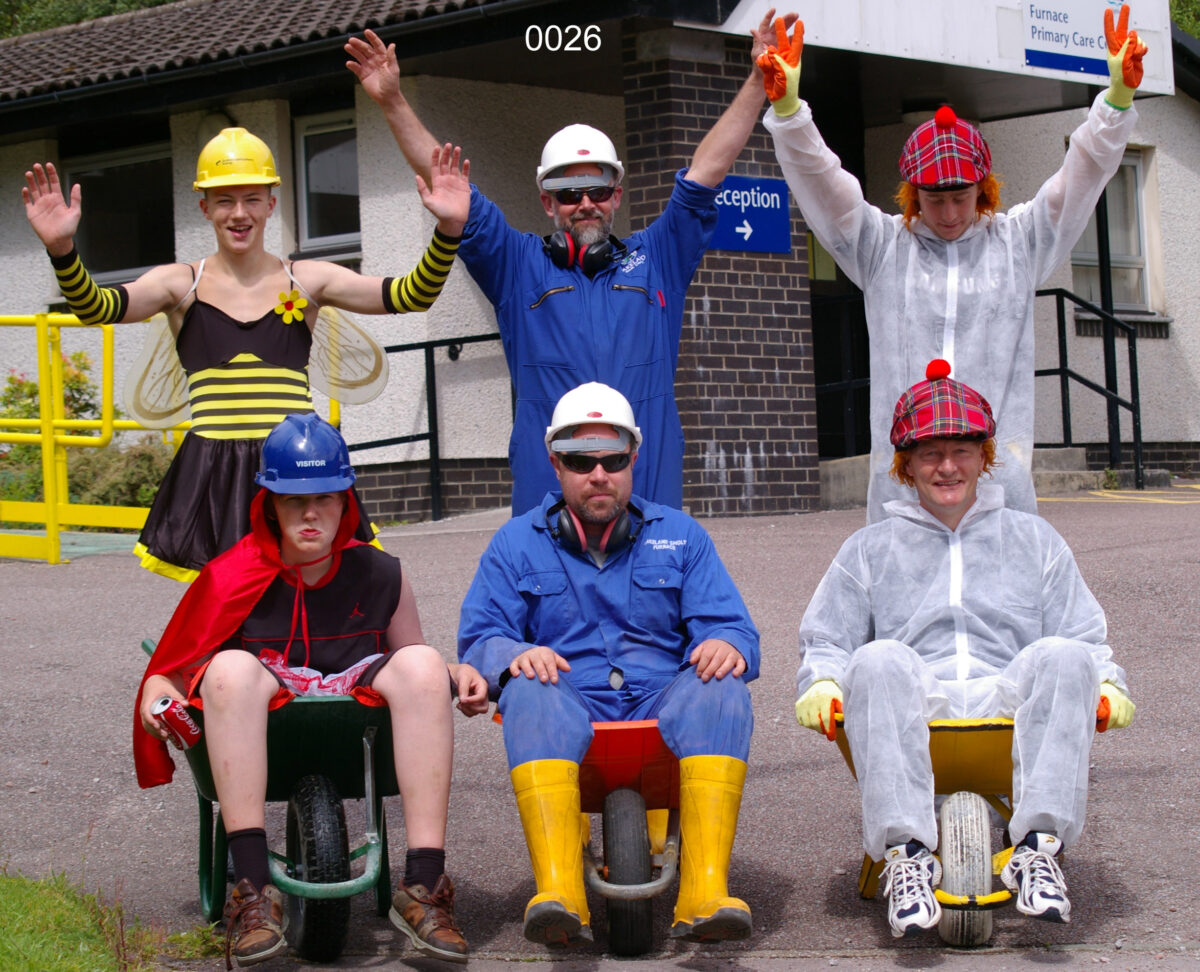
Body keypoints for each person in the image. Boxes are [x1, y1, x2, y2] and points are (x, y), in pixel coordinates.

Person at [346, 11, 786, 515]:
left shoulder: (659, 257)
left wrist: (758, 80)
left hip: (649, 501)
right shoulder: (517, 266)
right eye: (568, 192)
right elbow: (453, 190)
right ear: (546, 202)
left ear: (617, 194)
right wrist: (393, 100)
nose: (585, 203)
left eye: (597, 189)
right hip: (549, 509)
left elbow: (705, 173)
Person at [23, 126, 471, 580]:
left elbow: (411, 294)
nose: (239, 213)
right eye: (224, 200)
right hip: (213, 472)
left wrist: (448, 230)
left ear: (271, 203)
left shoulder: (307, 279)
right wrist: (62, 250)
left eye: (252, 198)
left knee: (309, 592)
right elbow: (95, 307)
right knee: (224, 607)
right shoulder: (179, 284)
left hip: (297, 465)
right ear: (205, 207)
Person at [756, 5, 1148, 523]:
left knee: (1004, 601)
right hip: (903, 488)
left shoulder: (1020, 243)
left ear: (983, 190)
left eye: (961, 197)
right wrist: (789, 114)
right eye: (933, 199)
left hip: (995, 486)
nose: (948, 213)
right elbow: (825, 187)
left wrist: (1115, 104)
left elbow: (1078, 178)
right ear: (912, 194)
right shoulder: (881, 247)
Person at [794, 359, 1135, 938]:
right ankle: (906, 856)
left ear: (985, 457)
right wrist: (821, 679)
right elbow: (827, 635)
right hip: (915, 707)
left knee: (1066, 655)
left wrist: (1106, 680)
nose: (947, 466)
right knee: (875, 657)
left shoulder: (1033, 539)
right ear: (905, 465)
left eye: (962, 449)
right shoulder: (869, 548)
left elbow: (1081, 630)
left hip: (1008, 702)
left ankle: (1037, 849)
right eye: (929, 452)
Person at [135, 413, 488, 968]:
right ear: (267, 504)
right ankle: (252, 893)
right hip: (260, 724)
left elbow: (415, 656)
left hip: (357, 725)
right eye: (292, 498)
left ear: (346, 501)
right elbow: (167, 673)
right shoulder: (231, 576)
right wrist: (161, 704)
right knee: (226, 667)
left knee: (421, 664)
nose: (309, 512)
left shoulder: (381, 573)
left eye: (325, 496)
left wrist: (454, 671)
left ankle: (423, 887)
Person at [457, 381, 759, 945]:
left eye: (613, 459)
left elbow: (734, 627)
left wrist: (728, 644)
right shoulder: (513, 543)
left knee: (722, 685)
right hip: (565, 707)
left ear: (633, 459)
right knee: (527, 684)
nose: (599, 474)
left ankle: (704, 892)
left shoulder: (681, 536)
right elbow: (480, 638)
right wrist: (515, 653)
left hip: (661, 705)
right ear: (555, 464)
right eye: (579, 461)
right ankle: (559, 893)